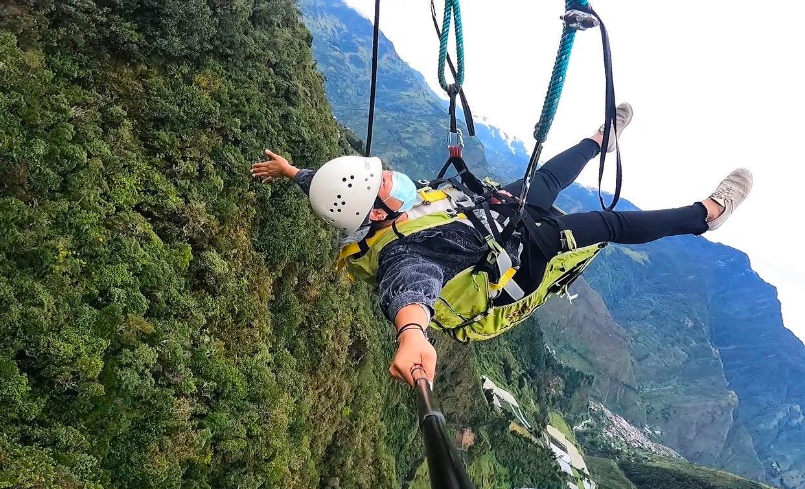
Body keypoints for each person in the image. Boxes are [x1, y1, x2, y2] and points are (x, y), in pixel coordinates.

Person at [249, 105, 753, 387]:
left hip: (487, 222)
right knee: (606, 224)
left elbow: (340, 191)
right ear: (377, 214)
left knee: (546, 179)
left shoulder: (368, 205)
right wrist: (411, 337)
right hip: (512, 270)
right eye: (384, 182)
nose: (392, 177)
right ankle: (706, 216)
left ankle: (600, 140)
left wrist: (295, 173)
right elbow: (409, 295)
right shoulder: (404, 256)